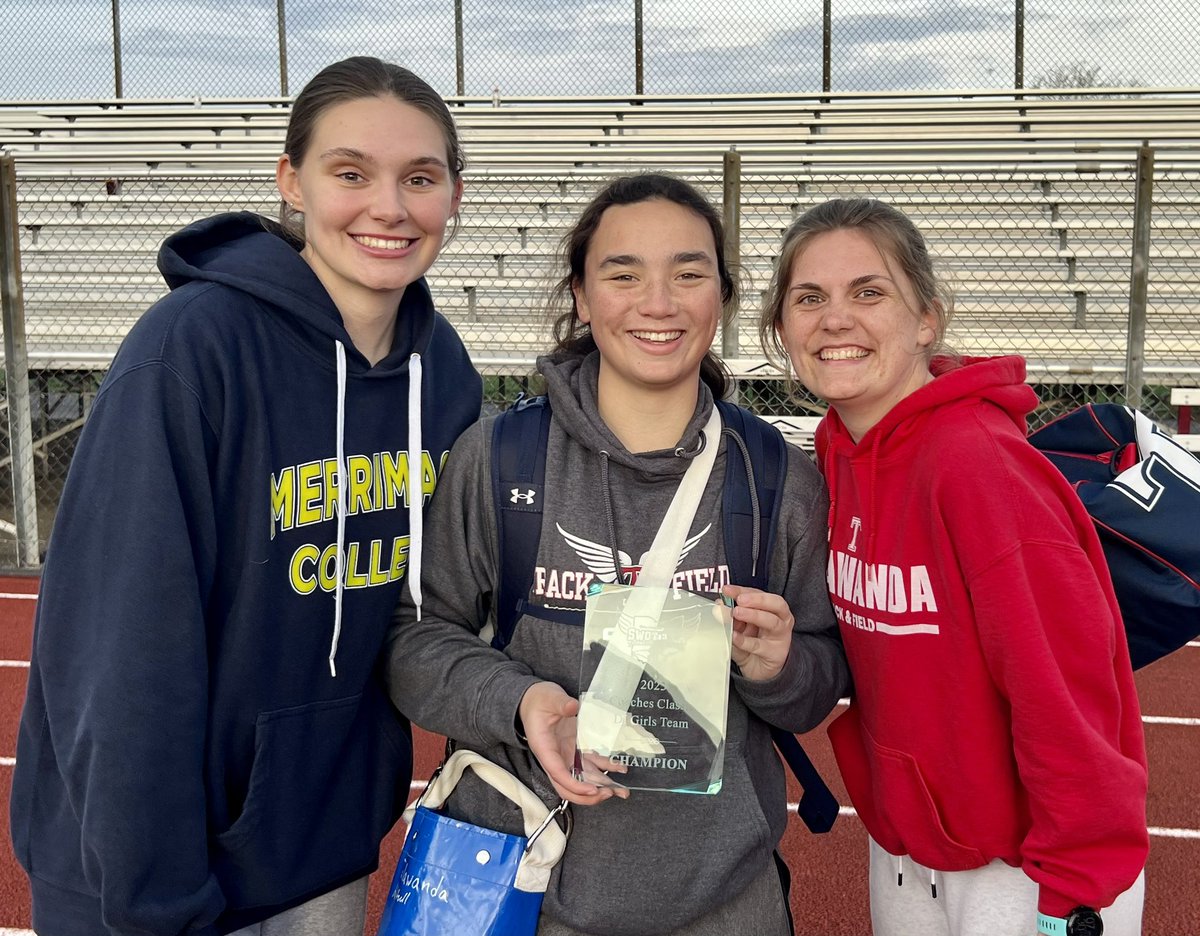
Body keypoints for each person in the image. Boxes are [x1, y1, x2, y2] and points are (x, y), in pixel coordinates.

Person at [10, 57, 482, 936]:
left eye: (420, 177)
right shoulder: (190, 352)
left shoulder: (443, 372)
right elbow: (118, 655)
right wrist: (151, 899)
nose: (389, 207)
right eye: (351, 173)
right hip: (138, 871)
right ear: (290, 182)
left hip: (318, 849)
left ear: (455, 193)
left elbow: (432, 609)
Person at [385, 173, 849, 936]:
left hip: (727, 906)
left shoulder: (776, 479)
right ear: (581, 294)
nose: (657, 302)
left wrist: (780, 668)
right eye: (623, 273)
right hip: (523, 893)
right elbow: (413, 641)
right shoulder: (499, 460)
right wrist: (523, 702)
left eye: (688, 274)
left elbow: (814, 688)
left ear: (722, 298)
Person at [759, 197, 1149, 936]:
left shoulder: (978, 466)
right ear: (784, 329)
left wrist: (1075, 891)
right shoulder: (839, 455)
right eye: (809, 298)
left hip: (1025, 873)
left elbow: (1066, 690)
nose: (834, 319)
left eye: (869, 292)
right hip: (911, 850)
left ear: (927, 319)